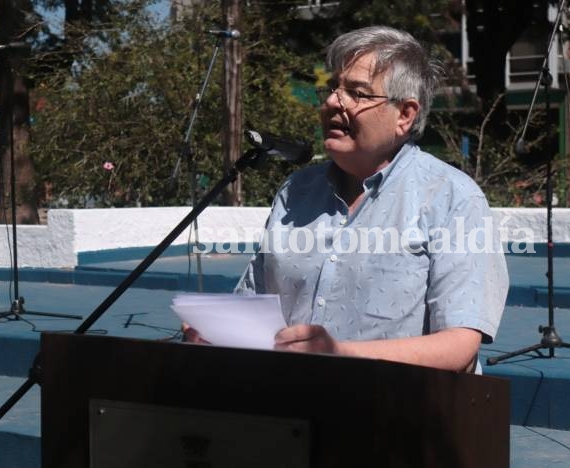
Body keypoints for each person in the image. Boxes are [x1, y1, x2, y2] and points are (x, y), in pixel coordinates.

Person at [192, 26, 509, 373]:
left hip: (398, 412)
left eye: (356, 93)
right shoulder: (295, 192)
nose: (331, 102)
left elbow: (459, 345)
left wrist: (340, 353)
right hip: (288, 406)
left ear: (405, 114)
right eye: (332, 88)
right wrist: (217, 333)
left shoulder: (452, 198)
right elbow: (252, 303)